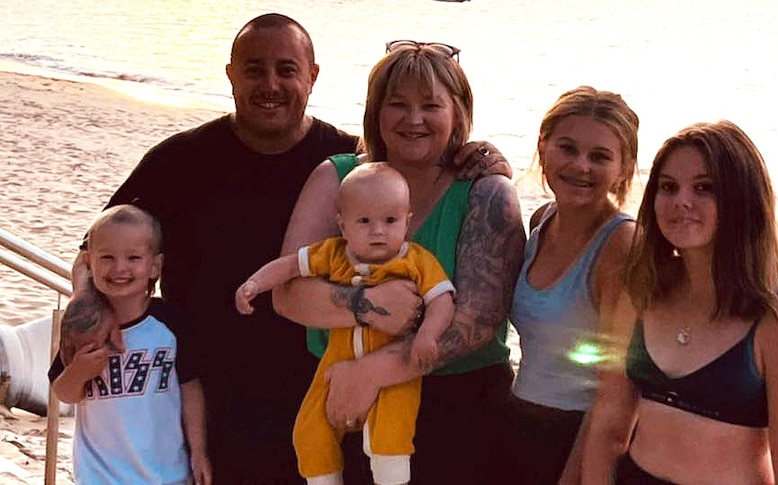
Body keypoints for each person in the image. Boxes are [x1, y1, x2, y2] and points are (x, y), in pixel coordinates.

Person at [72, 14, 508, 482]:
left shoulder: (365, 170)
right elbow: (94, 252)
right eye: (255, 69)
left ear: (313, 76)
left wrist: (478, 154)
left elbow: (480, 310)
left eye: (286, 69)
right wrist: (85, 314)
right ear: (231, 74)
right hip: (213, 394)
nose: (271, 84)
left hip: (327, 393)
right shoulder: (183, 160)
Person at [273, 41, 526, 485]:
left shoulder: (486, 192)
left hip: (458, 407)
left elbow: (478, 320)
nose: (414, 119)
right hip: (342, 396)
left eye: (431, 105)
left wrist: (372, 371)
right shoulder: (338, 176)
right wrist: (367, 303)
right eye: (398, 104)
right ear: (375, 111)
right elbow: (289, 292)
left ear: (458, 111)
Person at [578, 120, 778, 483]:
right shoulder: (643, 289)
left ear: (741, 201)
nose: (682, 201)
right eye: (668, 186)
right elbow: (610, 418)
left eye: (704, 188)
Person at [236, 163, 455, 485]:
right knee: (309, 429)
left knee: (391, 430)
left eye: (390, 220)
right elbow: (288, 267)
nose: (378, 230)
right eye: (364, 221)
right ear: (343, 224)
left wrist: (427, 334)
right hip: (334, 362)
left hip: (394, 365)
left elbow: (442, 300)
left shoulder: (415, 261)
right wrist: (254, 284)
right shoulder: (333, 254)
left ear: (407, 221)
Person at [498, 86, 639, 484]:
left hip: (574, 438)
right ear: (543, 149)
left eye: (599, 156)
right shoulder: (541, 219)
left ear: (624, 168)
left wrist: (576, 476)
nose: (581, 166)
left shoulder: (622, 245)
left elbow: (617, 395)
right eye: (567, 148)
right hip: (518, 424)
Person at [49, 205, 210, 484]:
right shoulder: (84, 326)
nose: (120, 268)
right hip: (99, 475)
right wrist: (78, 372)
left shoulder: (171, 322)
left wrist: (199, 451)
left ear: (155, 266)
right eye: (107, 257)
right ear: (90, 263)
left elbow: (190, 387)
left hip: (166, 474)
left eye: (133, 257)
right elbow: (63, 392)